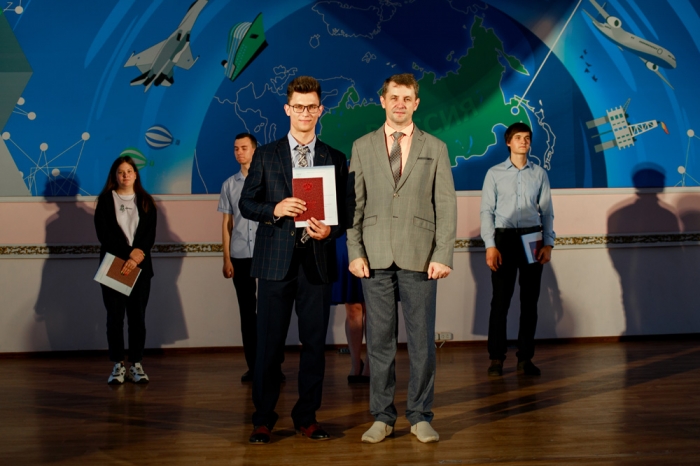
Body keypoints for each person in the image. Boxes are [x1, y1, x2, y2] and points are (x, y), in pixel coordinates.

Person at [347, 73, 457, 444]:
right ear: (382, 101)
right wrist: (355, 252)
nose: (400, 104)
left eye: (407, 98)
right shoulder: (362, 146)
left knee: (422, 343)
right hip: (374, 256)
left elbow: (446, 205)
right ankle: (382, 417)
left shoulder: (435, 147)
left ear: (416, 104)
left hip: (421, 256)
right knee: (379, 343)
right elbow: (354, 205)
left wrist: (443, 254)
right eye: (394, 97)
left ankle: (420, 416)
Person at [239, 76, 348, 444]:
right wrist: (275, 208)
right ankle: (263, 419)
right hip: (274, 263)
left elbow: (345, 214)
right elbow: (247, 203)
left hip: (316, 264)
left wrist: (330, 230)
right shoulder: (266, 155)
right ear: (287, 109)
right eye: (298, 106)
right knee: (268, 347)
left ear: (320, 110)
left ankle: (307, 417)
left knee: (315, 346)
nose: (305, 113)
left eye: (311, 107)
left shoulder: (334, 157)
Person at [480, 122, 555, 377]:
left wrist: (548, 243)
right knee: (500, 301)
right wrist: (490, 246)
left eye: (527, 138)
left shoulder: (539, 174)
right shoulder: (494, 173)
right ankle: (496, 358)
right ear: (508, 142)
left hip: (533, 237)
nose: (524, 141)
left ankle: (525, 358)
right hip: (504, 239)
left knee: (529, 302)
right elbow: (486, 212)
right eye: (518, 137)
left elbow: (547, 211)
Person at [94, 156, 157, 385]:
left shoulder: (146, 201)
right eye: (121, 172)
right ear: (115, 175)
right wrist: (129, 254)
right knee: (115, 318)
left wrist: (137, 255)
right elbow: (104, 235)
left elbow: (149, 235)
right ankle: (118, 365)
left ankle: (136, 364)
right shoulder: (104, 201)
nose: (125, 175)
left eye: (129, 171)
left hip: (140, 267)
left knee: (137, 318)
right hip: (114, 265)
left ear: (135, 174)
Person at [218, 133, 260, 383]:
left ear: (255, 150)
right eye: (236, 148)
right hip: (240, 255)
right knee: (247, 312)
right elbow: (227, 224)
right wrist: (226, 259)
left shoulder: (266, 179)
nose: (239, 152)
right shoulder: (229, 185)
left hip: (265, 254)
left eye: (244, 148)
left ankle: (271, 365)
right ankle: (253, 365)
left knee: (269, 311)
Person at [331, 232, 370, 384]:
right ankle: (356, 363)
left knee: (374, 308)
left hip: (373, 232)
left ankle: (371, 363)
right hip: (345, 234)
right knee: (353, 307)